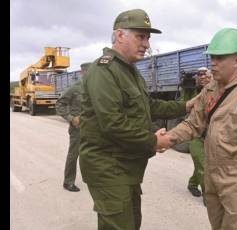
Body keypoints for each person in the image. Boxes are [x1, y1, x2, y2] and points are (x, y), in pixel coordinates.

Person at [78, 9, 197, 230]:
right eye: (140, 36)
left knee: (132, 223)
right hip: (108, 167)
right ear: (120, 35)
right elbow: (113, 123)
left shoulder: (130, 71)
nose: (147, 44)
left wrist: (186, 105)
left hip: (126, 165)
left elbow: (148, 107)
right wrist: (153, 141)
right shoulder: (104, 70)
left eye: (148, 38)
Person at [165, 28, 237, 230]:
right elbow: (193, 124)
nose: (213, 63)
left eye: (220, 57)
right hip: (211, 175)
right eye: (212, 57)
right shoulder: (209, 90)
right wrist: (166, 139)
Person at [56, 62, 91, 192]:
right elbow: (60, 104)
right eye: (88, 72)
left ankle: (92, 179)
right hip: (78, 128)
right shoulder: (75, 88)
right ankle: (68, 181)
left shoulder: (96, 88)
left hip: (93, 128)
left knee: (92, 154)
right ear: (83, 73)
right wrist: (71, 118)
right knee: (74, 155)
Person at [185, 67, 212, 205]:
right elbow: (184, 105)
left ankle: (192, 184)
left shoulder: (217, 91)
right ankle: (208, 197)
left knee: (201, 163)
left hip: (209, 135)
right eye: (199, 75)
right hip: (195, 134)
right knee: (203, 165)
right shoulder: (192, 92)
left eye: (205, 75)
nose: (202, 78)